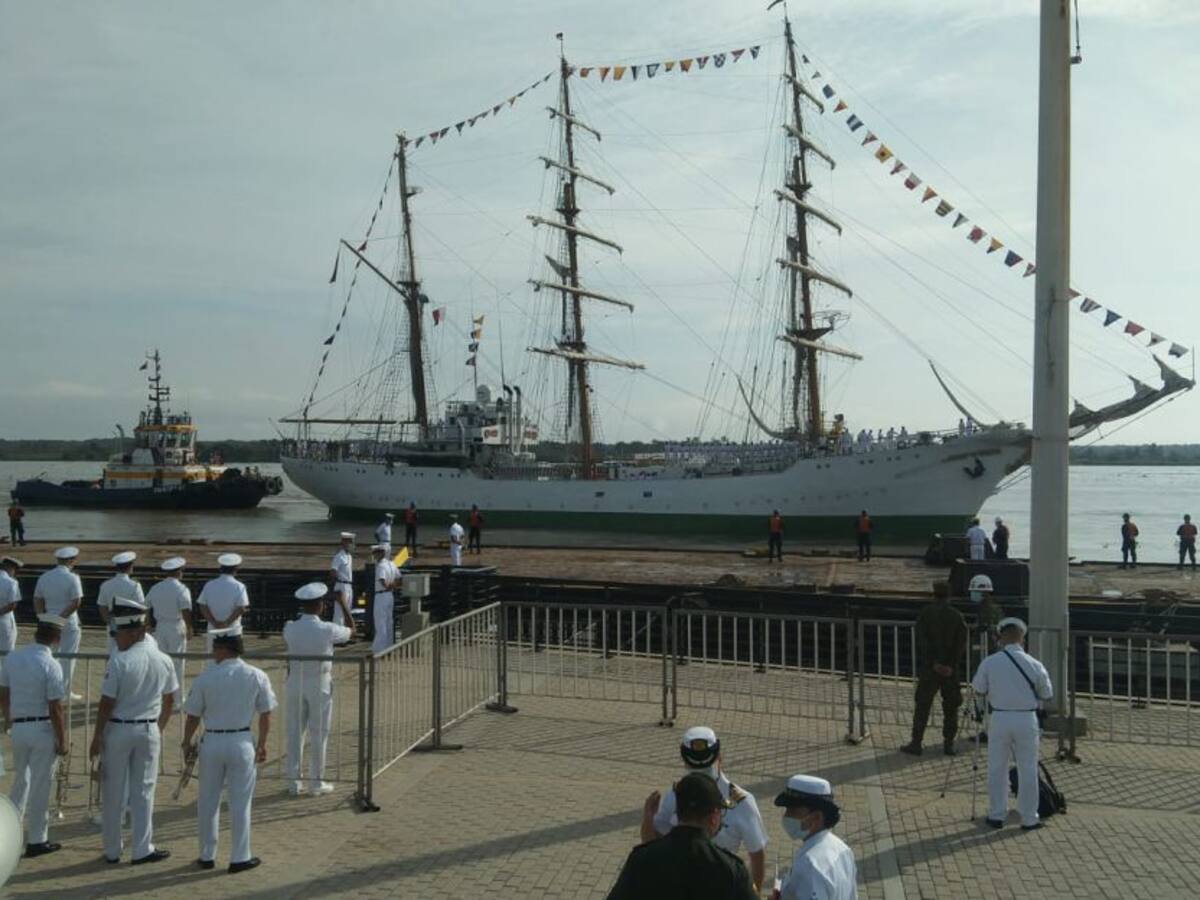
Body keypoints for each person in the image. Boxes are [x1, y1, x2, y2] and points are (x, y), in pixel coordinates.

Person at [89, 596, 177, 865]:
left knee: (114, 792)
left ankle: (113, 850)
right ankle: (141, 848)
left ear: (135, 632)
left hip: (118, 729)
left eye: (119, 633)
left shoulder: (120, 661)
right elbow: (170, 699)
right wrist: (158, 728)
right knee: (143, 793)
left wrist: (96, 737)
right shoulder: (164, 659)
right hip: (148, 729)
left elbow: (106, 703)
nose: (116, 639)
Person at [182, 632, 277, 873]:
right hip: (241, 740)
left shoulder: (206, 677)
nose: (213, 654)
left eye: (215, 649)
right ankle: (239, 856)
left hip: (212, 740)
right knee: (240, 802)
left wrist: (186, 742)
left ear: (224, 650)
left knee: (207, 801)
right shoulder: (257, 675)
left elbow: (193, 715)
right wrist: (263, 743)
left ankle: (206, 855)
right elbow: (266, 713)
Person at [642, 726, 768, 891]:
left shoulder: (742, 803)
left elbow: (757, 854)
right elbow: (652, 843)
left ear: (719, 757)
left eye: (706, 768)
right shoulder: (674, 796)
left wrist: (754, 892)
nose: (701, 773)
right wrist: (648, 819)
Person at [607, 772, 757, 900]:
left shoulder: (642, 859)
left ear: (678, 812)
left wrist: (648, 821)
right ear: (713, 818)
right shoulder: (731, 870)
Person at [971, 617, 1053, 830]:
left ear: (1000, 638)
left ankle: (997, 815)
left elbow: (978, 689)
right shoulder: (1034, 664)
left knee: (997, 767)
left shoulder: (990, 662)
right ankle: (1029, 818)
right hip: (1026, 719)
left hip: (999, 718)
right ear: (1022, 639)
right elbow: (1047, 693)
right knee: (1028, 768)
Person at [0, 613, 68, 858]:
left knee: (21, 782)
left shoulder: (14, 657)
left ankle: (9, 833)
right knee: (40, 786)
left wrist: (9, 718)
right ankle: (38, 839)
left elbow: (4, 693)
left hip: (19, 727)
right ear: (56, 639)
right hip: (41, 728)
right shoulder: (51, 665)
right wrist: (62, 739)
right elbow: (55, 707)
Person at [283, 582, 351, 796]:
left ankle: (293, 782)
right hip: (319, 681)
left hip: (295, 680)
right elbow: (351, 631)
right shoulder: (327, 629)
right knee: (319, 733)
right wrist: (343, 605)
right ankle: (316, 782)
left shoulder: (290, 627)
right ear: (321, 605)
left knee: (294, 732)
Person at [901, 581, 967, 757]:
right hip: (950, 672)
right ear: (949, 596)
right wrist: (950, 665)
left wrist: (934, 663)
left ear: (934, 594)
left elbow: (921, 641)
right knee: (951, 708)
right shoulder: (957, 616)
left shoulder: (926, 614)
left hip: (930, 670)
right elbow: (961, 644)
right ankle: (948, 744)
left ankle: (916, 743)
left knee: (922, 706)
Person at [773, 774, 857, 900]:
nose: (787, 816)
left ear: (816, 817)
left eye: (793, 811)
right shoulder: (843, 849)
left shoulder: (810, 865)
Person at [33, 546, 84, 701]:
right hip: (68, 622)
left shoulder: (45, 576)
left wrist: (42, 617)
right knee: (68, 657)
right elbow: (76, 602)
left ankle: (47, 688)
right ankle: (64, 691)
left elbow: (37, 599)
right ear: (71, 560)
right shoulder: (72, 577)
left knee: (50, 656)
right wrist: (61, 618)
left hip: (48, 621)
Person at [146, 557, 193, 701]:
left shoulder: (156, 587)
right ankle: (177, 698)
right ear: (178, 572)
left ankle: (159, 695)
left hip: (160, 626)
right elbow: (186, 610)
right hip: (176, 626)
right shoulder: (181, 588)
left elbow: (146, 607)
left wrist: (148, 624)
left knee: (160, 662)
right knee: (177, 663)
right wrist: (190, 627)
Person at [197, 554, 249, 656]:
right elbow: (241, 608)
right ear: (236, 569)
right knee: (233, 658)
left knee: (213, 658)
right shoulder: (239, 586)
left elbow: (202, 606)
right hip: (232, 628)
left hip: (213, 628)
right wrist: (226, 623)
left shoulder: (209, 584)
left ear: (220, 568)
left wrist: (214, 622)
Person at [97, 551, 146, 656]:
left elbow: (102, 606)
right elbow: (140, 608)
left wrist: (110, 623)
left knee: (112, 654)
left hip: (113, 622)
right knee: (129, 655)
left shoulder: (106, 585)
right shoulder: (135, 585)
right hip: (130, 625)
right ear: (130, 566)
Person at [370, 544, 398, 654]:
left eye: (376, 553)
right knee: (389, 622)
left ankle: (379, 650)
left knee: (380, 622)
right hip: (390, 595)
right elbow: (399, 578)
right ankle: (389, 647)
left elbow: (382, 580)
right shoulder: (392, 564)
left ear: (382, 553)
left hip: (381, 595)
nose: (374, 555)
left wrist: (387, 586)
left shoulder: (381, 566)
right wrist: (392, 586)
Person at [328, 532, 356, 637]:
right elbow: (333, 571)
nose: (353, 544)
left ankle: (344, 636)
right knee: (339, 612)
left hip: (349, 586)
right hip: (341, 585)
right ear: (344, 542)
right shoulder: (339, 556)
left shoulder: (349, 556)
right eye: (351, 542)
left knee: (347, 611)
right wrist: (336, 582)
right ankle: (336, 637)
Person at [0, 555, 21, 662]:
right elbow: (12, 604)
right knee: (6, 654)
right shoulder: (11, 582)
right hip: (4, 621)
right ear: (11, 568)